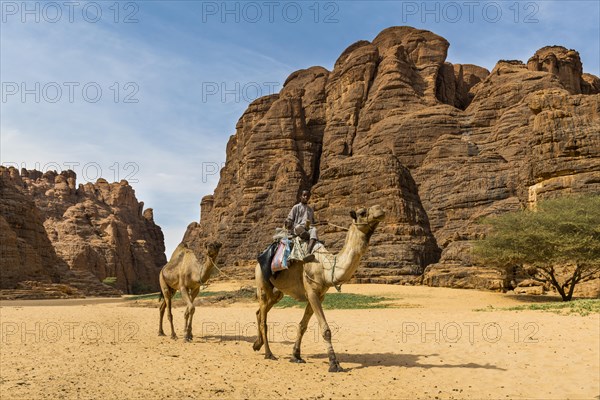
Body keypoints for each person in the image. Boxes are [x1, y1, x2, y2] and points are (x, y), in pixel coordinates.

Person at [286, 190, 318, 262]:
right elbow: (290, 219)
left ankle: (308, 252)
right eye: (304, 195)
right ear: (301, 196)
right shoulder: (296, 207)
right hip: (298, 228)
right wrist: (289, 223)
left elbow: (313, 222)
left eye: (307, 196)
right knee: (297, 227)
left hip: (308, 228)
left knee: (314, 230)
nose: (306, 197)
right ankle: (305, 235)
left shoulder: (310, 210)